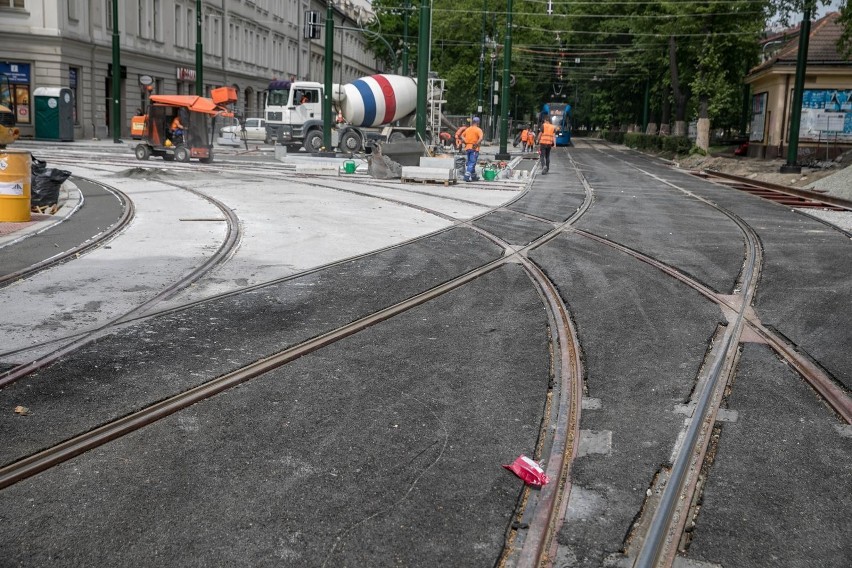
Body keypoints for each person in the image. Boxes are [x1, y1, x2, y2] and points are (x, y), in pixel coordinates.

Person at [461, 116, 484, 182]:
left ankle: (473, 177)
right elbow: (481, 138)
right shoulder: (478, 130)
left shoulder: (468, 129)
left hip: (467, 148)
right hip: (474, 148)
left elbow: (462, 136)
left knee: (470, 162)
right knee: (472, 162)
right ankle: (467, 176)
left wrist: (465, 141)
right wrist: (476, 144)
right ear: (478, 123)